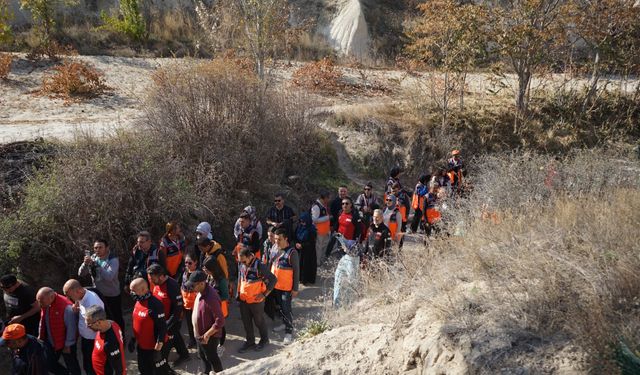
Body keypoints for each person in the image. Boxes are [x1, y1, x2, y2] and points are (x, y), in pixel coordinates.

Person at [78, 239, 125, 342]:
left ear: (107, 248)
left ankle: (121, 338)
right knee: (102, 318)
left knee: (116, 318)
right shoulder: (93, 258)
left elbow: (109, 277)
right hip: (99, 295)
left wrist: (97, 265)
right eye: (95, 248)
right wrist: (85, 264)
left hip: (112, 295)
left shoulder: (112, 259)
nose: (97, 250)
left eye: (100, 247)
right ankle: (107, 339)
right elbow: (81, 274)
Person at [146, 264, 189, 368]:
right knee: (175, 336)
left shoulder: (172, 286)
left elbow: (177, 310)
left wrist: (167, 325)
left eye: (152, 278)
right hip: (161, 319)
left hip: (171, 320)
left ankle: (163, 366)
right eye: (149, 278)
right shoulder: (156, 282)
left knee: (166, 343)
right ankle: (185, 354)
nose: (150, 280)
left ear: (161, 276)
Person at [236, 247, 276, 353]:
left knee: (259, 321)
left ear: (250, 256)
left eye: (244, 261)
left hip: (256, 301)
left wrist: (264, 295)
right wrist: (238, 295)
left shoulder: (260, 266)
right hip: (244, 299)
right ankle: (250, 342)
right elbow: (240, 278)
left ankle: (264, 340)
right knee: (246, 321)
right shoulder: (242, 264)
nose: (242, 264)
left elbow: (273, 279)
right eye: (240, 262)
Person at [184, 270, 225, 374]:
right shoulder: (200, 292)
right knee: (203, 355)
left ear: (202, 283)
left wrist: (207, 335)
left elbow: (220, 320)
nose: (191, 288)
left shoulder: (211, 298)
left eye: (193, 286)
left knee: (212, 357)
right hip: (200, 335)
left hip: (209, 337)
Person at [63, 279, 104, 375]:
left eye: (69, 295)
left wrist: (88, 325)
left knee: (94, 367)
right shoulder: (80, 296)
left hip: (93, 340)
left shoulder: (92, 302)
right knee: (87, 365)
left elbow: (99, 325)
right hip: (86, 339)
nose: (68, 299)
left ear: (78, 291)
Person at [35, 287, 81, 375]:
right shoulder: (46, 304)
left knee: (72, 365)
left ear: (51, 297)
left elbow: (72, 328)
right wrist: (40, 335)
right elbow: (43, 319)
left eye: (41, 301)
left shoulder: (66, 307)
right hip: (51, 341)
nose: (39, 304)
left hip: (66, 344)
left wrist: (68, 345)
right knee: (48, 363)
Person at [128, 278, 169, 375]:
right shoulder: (138, 301)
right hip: (142, 347)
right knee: (143, 370)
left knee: (159, 372)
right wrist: (133, 339)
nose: (131, 293)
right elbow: (137, 322)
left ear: (143, 290)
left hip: (154, 348)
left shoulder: (155, 305)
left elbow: (162, 327)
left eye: (133, 291)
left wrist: (158, 350)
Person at [271, 229, 300, 345]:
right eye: (276, 239)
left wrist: (295, 288)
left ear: (286, 239)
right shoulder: (275, 249)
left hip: (287, 288)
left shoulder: (292, 253)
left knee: (286, 308)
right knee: (280, 308)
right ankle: (284, 323)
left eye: (279, 239)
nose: (276, 242)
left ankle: (289, 331)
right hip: (276, 286)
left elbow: (296, 271)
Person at [85, 305, 125, 375]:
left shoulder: (110, 343)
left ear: (99, 322)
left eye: (89, 325)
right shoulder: (111, 323)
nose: (87, 327)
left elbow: (118, 368)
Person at [179, 253, 198, 349]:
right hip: (186, 303)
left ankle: (200, 342)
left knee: (197, 324)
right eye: (186, 262)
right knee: (189, 323)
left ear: (195, 262)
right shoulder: (184, 273)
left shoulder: (199, 274)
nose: (187, 265)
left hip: (196, 305)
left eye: (190, 263)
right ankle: (192, 339)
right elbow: (182, 286)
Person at [295, 212, 316, 285]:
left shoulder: (311, 229)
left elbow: (311, 242)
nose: (302, 223)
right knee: (299, 264)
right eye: (301, 221)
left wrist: (302, 245)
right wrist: (296, 243)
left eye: (303, 221)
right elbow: (295, 236)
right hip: (299, 250)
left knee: (306, 265)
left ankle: (306, 280)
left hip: (308, 251)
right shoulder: (299, 227)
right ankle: (300, 278)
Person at [311, 191, 331, 266]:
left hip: (325, 231)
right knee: (318, 248)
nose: (329, 200)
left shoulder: (323, 205)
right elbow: (314, 220)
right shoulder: (316, 206)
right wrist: (327, 218)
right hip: (319, 232)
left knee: (323, 247)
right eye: (328, 198)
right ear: (325, 198)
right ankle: (317, 263)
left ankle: (321, 261)